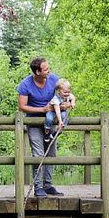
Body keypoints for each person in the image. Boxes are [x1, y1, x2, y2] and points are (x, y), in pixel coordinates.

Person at [17, 57, 66, 197]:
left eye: (48, 68)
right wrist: (42, 110)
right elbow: (22, 107)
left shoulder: (53, 80)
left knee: (51, 153)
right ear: (37, 72)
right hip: (34, 123)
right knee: (38, 154)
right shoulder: (25, 84)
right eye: (46, 69)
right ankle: (38, 187)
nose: (49, 71)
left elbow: (64, 93)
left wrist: (64, 105)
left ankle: (48, 185)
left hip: (51, 123)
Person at [44, 78, 76, 143]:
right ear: (59, 91)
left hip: (61, 111)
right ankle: (47, 132)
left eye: (68, 92)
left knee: (65, 116)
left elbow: (73, 97)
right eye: (65, 92)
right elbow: (57, 110)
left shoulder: (68, 95)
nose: (67, 94)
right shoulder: (56, 99)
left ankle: (58, 131)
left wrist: (72, 103)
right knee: (49, 118)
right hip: (53, 111)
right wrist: (60, 121)